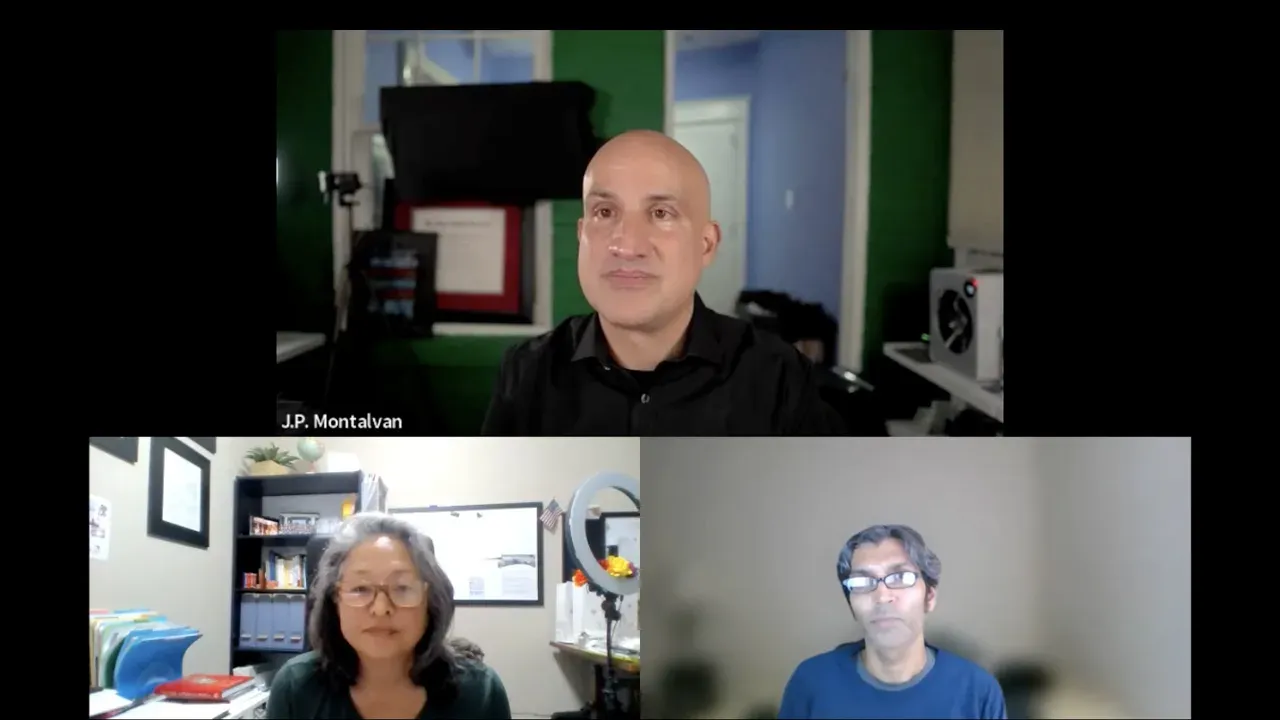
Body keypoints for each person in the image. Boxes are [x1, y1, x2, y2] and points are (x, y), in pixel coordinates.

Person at [481, 129, 844, 436]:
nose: (626, 244)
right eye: (604, 212)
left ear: (706, 244)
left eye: (660, 213)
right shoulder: (526, 372)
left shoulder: (777, 375)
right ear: (581, 235)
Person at [266, 513, 511, 719]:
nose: (381, 608)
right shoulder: (295, 689)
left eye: (402, 588)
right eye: (361, 588)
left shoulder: (481, 693)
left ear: (429, 600)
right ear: (335, 599)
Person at [778, 525, 1006, 719]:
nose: (882, 596)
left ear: (929, 597)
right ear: (851, 604)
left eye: (900, 577)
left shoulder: (978, 691)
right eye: (862, 581)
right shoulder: (811, 683)